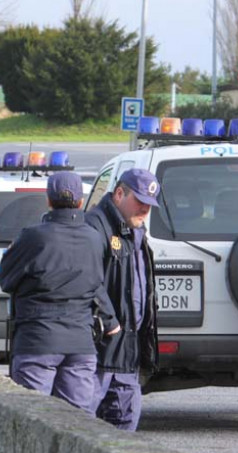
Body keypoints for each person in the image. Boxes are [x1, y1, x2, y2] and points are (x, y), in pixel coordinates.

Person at [0, 171, 120, 414]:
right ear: (80, 201)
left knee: (32, 417)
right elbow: (96, 283)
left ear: (49, 199)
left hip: (38, 340)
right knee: (76, 422)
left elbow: (6, 280)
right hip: (81, 342)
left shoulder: (34, 237)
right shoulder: (95, 239)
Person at [85, 168, 160, 431]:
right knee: (83, 426)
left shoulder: (136, 231)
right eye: (140, 202)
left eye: (150, 205)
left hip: (129, 350)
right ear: (119, 193)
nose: (145, 210)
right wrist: (109, 320)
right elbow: (87, 279)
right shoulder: (95, 226)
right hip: (102, 347)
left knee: (125, 427)